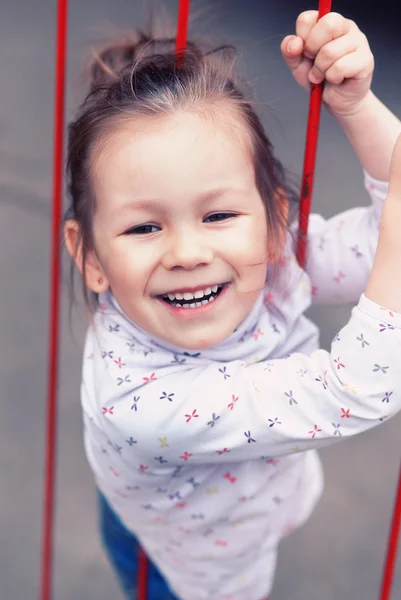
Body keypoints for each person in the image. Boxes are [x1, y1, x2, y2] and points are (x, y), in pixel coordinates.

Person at [64, 8, 401, 600]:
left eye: (218, 215)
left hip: (226, 501)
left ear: (275, 223)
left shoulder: (264, 257)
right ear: (88, 255)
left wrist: (355, 107)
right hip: (181, 566)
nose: (189, 252)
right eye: (144, 228)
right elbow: (358, 389)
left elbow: (381, 243)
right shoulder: (135, 405)